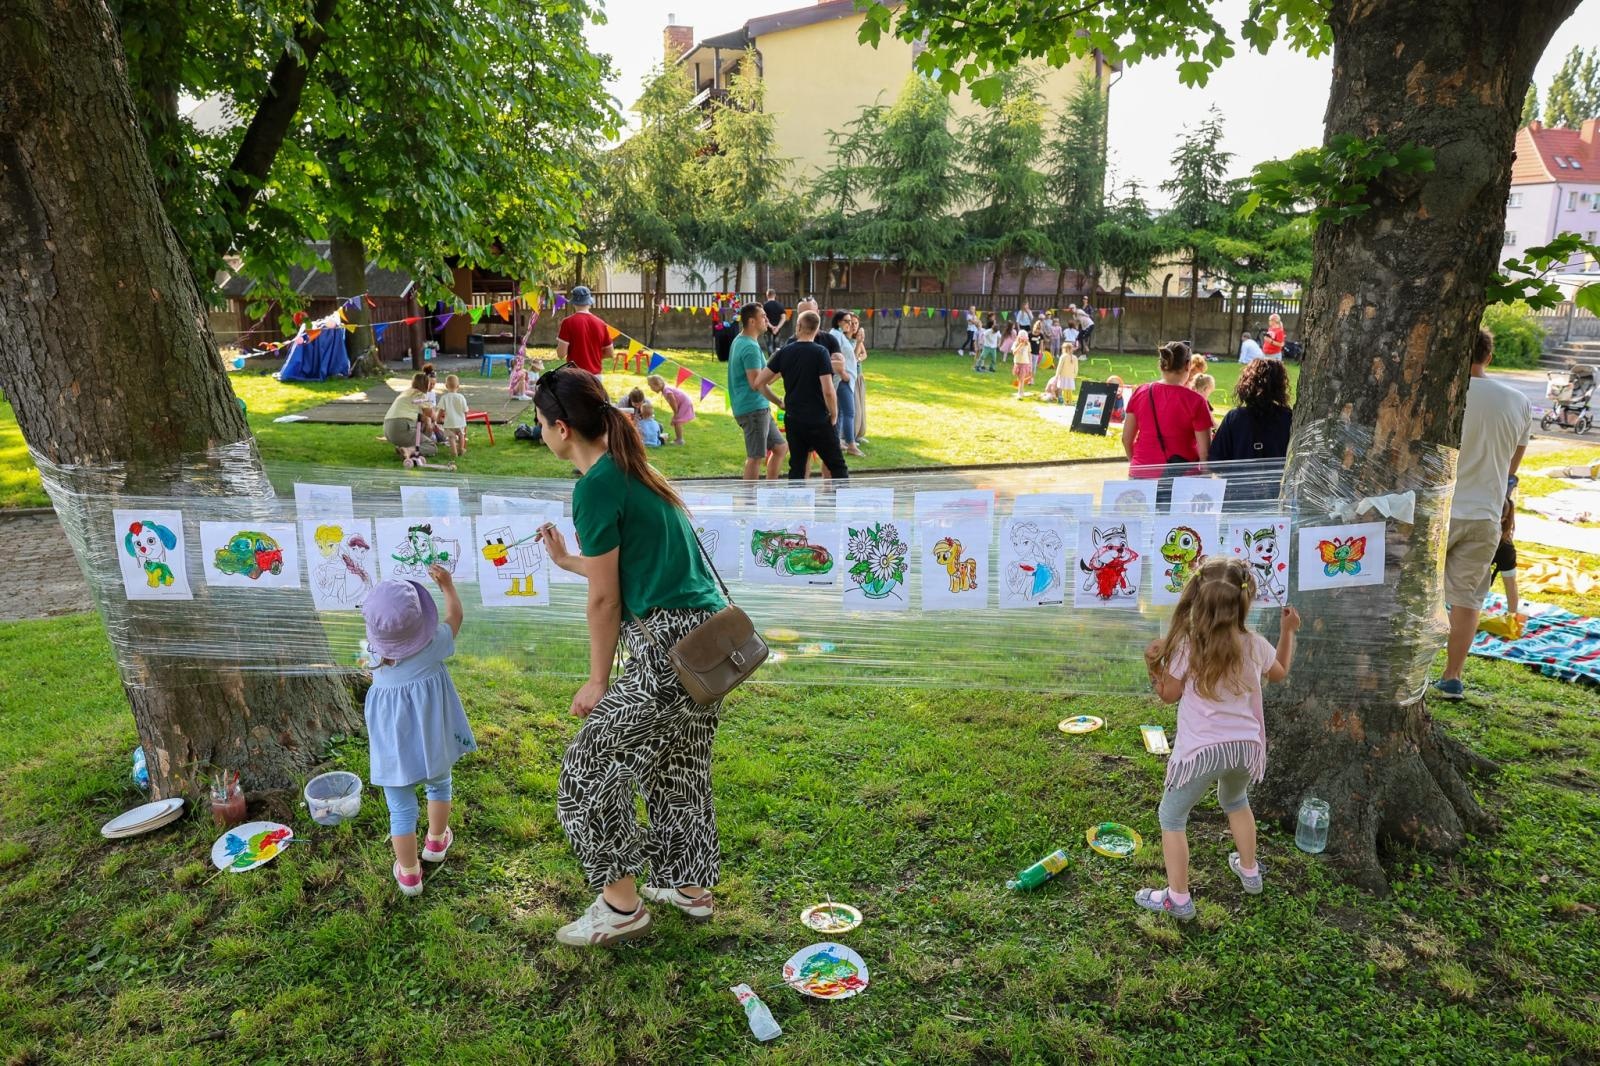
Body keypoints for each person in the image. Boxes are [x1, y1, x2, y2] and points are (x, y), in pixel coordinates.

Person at [531, 365, 728, 947]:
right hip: (709, 643)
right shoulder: (635, 469)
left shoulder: (594, 484)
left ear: (562, 428)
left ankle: (621, 908)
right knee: (677, 765)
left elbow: (605, 599)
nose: (541, 432)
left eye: (541, 423)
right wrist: (568, 560)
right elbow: (623, 568)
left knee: (586, 769)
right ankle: (690, 887)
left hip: (669, 648)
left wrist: (597, 681)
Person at [1138, 557, 1300, 921]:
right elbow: (1280, 673)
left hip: (1203, 751)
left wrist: (1153, 666)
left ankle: (1178, 899)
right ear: (1245, 601)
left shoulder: (1186, 647)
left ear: (1196, 600)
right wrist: (1288, 631)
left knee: (1172, 816)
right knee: (1236, 798)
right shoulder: (1255, 643)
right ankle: (1249, 870)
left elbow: (1169, 695)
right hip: (1246, 747)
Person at [362, 568, 475, 897]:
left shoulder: (372, 655)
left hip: (394, 750)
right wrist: (448, 586)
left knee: (401, 809)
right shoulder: (435, 644)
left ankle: (410, 874)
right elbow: (456, 615)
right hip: (433, 742)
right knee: (440, 785)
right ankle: (437, 842)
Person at [1434, 329, 1532, 700]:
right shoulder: (1519, 401)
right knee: (1468, 599)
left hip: (1440, 510)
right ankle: (1452, 676)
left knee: (1416, 590)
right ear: (1489, 357)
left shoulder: (1446, 395)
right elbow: (1511, 471)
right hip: (1485, 513)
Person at [753, 310, 848, 481]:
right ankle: (838, 505)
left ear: (798, 326)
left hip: (794, 419)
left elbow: (759, 382)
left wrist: (778, 401)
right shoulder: (821, 353)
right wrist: (834, 414)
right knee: (837, 466)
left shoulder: (783, 352)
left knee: (797, 467)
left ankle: (796, 505)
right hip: (819, 419)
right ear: (817, 329)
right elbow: (828, 389)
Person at [1122, 341, 1213, 490]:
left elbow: (1126, 438)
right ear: (1188, 365)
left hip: (1140, 473)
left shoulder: (1140, 392)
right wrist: (1206, 482)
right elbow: (1205, 453)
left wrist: (1136, 463)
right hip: (1183, 477)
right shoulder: (1196, 401)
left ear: (1162, 364)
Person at [728, 302, 788, 481]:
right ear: (752, 321)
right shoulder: (750, 347)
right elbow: (757, 384)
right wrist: (779, 401)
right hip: (753, 409)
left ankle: (770, 491)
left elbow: (762, 378)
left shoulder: (741, 340)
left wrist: (779, 369)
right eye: (763, 316)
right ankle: (749, 503)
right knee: (755, 457)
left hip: (756, 408)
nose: (767, 320)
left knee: (780, 448)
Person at [1209, 358, 1293, 466]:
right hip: (1278, 482)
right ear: (1280, 385)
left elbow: (1216, 460)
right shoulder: (1288, 418)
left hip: (1239, 481)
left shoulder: (1234, 417)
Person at [382, 372, 442, 466]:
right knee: (431, 446)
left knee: (423, 421)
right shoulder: (420, 395)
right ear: (425, 384)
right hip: (401, 426)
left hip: (388, 429)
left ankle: (403, 447)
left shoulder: (406, 392)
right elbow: (432, 416)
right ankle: (409, 450)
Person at [556, 285, 614, 375]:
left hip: (575, 376)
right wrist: (593, 357)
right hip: (596, 377)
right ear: (589, 302)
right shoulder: (601, 324)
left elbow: (561, 354)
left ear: (574, 303)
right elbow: (610, 353)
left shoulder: (567, 322)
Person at [829, 311, 863, 457]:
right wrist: (844, 374)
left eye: (851, 321)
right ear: (838, 321)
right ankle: (851, 444)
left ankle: (837, 441)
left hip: (846, 378)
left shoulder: (840, 335)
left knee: (842, 412)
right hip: (843, 380)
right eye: (847, 321)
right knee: (849, 411)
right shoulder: (836, 335)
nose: (850, 324)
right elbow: (834, 357)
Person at [647, 373, 695, 446]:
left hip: (684, 404)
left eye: (651, 386)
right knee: (676, 421)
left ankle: (680, 440)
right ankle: (678, 438)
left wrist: (676, 413)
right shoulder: (665, 389)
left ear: (657, 385)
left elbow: (673, 401)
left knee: (677, 421)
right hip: (683, 403)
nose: (651, 389)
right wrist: (675, 413)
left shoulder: (666, 391)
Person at [845, 312, 869, 444]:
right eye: (851, 323)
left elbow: (864, 354)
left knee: (860, 405)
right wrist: (859, 343)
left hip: (859, 376)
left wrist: (860, 358)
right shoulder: (846, 341)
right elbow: (852, 359)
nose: (853, 326)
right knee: (853, 407)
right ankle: (851, 436)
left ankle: (859, 433)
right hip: (850, 377)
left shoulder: (856, 339)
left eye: (856, 323)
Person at [438, 374, 470, 457]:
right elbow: (465, 410)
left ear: (446, 386)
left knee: (451, 437)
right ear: (458, 386)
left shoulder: (445, 398)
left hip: (449, 422)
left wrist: (438, 418)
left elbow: (441, 410)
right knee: (461, 435)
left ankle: (454, 452)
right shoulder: (461, 397)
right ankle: (461, 449)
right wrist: (465, 418)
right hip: (460, 421)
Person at [1042, 340, 1078, 404]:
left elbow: (1059, 367)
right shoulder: (1075, 357)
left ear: (1065, 349)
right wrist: (1074, 375)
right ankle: (1069, 401)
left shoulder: (1063, 356)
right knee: (1069, 389)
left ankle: (1064, 401)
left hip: (1063, 376)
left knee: (1063, 389)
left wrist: (1056, 376)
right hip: (1071, 376)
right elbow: (1076, 368)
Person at [1011, 323, 1034, 400]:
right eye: (1022, 338)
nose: (1023, 340)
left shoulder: (1028, 344)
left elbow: (1029, 354)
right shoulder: (1015, 344)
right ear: (1019, 338)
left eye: (1025, 339)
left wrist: (1030, 364)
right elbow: (1014, 352)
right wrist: (1020, 345)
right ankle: (1021, 391)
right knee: (1020, 379)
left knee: (1021, 379)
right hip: (1017, 363)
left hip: (1025, 364)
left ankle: (1019, 393)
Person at [762, 289, 788, 354]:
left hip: (767, 329)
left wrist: (771, 327)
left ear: (767, 295)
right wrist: (777, 328)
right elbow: (783, 318)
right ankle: (777, 361)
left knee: (769, 347)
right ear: (775, 295)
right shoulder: (780, 305)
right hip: (777, 330)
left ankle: (770, 362)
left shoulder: (764, 306)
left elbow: (764, 318)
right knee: (777, 348)